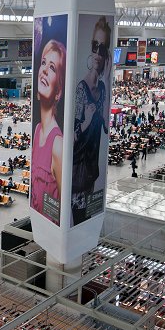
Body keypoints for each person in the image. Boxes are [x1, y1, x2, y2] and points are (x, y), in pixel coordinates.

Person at [72, 16, 111, 226]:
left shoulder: (102, 88)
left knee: (87, 221)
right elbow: (72, 138)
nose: (97, 54)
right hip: (77, 173)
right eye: (95, 46)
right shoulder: (81, 89)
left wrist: (109, 78)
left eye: (103, 49)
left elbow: (106, 125)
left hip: (91, 171)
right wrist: (86, 121)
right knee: (79, 221)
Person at [31, 39, 65, 225]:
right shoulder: (37, 131)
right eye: (43, 63)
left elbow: (65, 207)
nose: (44, 69)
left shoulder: (57, 144)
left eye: (52, 68)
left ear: (58, 91)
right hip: (39, 227)